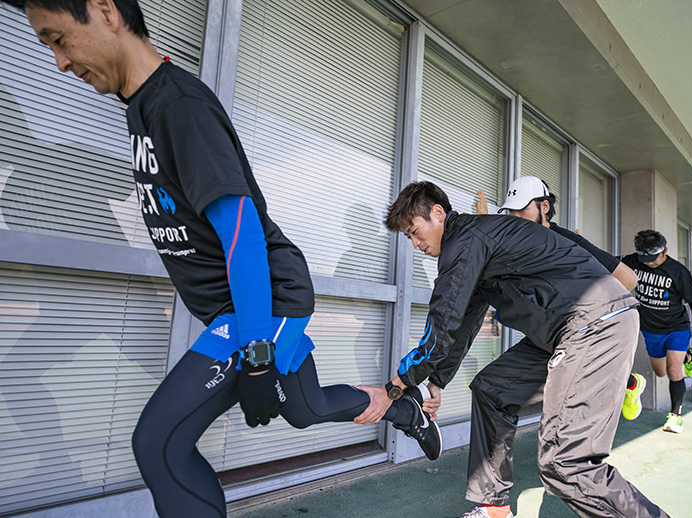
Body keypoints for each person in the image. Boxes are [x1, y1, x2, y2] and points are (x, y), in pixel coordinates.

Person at [3, 1, 441, 517]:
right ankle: (403, 408)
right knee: (305, 408)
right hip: (255, 305)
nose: (59, 62)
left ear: (104, 10)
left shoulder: (176, 105)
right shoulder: (143, 106)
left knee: (159, 445)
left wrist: (256, 358)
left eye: (59, 39)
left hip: (261, 307)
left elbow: (243, 236)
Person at [358, 181, 669, 518]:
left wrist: (396, 385)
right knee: (492, 390)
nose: (416, 243)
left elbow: (443, 317)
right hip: (562, 330)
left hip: (592, 323)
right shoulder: (472, 242)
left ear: (437, 213)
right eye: (408, 238)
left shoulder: (465, 241)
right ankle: (495, 507)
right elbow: (464, 320)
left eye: (415, 232)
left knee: (566, 464)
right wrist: (437, 380)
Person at [475, 178, 646, 422]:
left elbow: (627, 279)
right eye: (510, 212)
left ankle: (626, 382)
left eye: (522, 210)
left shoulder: (567, 241)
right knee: (491, 388)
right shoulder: (515, 238)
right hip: (549, 334)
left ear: (544, 208)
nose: (515, 218)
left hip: (580, 330)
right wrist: (484, 225)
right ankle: (628, 381)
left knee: (570, 415)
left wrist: (582, 303)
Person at [621, 230, 692, 433]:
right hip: (651, 330)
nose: (649, 263)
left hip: (676, 328)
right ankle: (688, 357)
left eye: (653, 260)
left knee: (673, 370)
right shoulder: (635, 261)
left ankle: (675, 416)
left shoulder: (678, 271)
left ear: (665, 251)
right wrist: (580, 241)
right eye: (645, 259)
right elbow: (606, 261)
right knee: (660, 371)